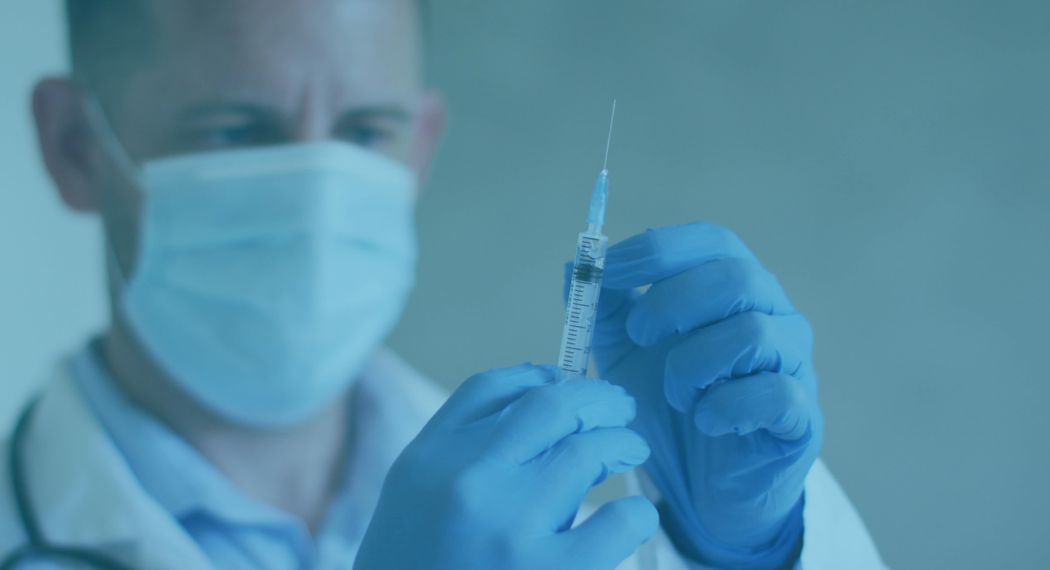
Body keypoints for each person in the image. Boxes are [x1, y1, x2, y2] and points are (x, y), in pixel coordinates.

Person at [0, 1, 887, 568]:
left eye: (364, 131)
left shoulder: (572, 506)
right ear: (75, 145)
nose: (317, 195)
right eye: (238, 131)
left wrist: (737, 547)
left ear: (420, 147)